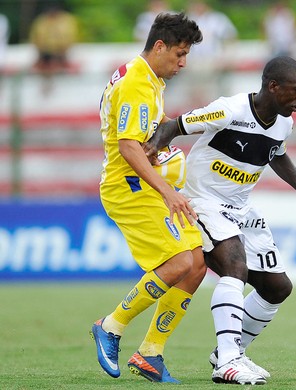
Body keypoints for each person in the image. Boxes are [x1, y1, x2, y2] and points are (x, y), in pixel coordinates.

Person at [144, 55, 296, 385]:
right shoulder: (229, 110)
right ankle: (228, 362)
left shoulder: (284, 122)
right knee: (235, 266)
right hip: (202, 202)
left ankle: (231, 352)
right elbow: (173, 126)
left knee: (277, 288)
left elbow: (277, 155)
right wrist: (154, 151)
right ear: (273, 87)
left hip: (241, 208)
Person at [89, 13, 205, 384]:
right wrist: (168, 190)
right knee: (177, 262)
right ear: (160, 46)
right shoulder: (139, 82)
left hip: (143, 182)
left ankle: (150, 352)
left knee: (198, 263)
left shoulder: (147, 77)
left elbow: (141, 138)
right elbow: (127, 148)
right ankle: (111, 325)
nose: (183, 63)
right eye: (180, 54)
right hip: (129, 188)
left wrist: (159, 147)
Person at [29, 5, 78, 73]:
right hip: (44, 53)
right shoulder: (41, 20)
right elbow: (36, 38)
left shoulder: (66, 20)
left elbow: (69, 38)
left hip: (61, 53)